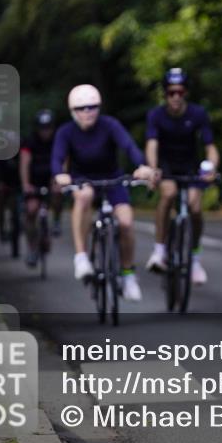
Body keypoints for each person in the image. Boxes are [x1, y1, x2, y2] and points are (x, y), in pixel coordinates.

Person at [52, 84, 155, 301]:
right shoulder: (66, 132)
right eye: (81, 108)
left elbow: (129, 147)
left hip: (113, 180)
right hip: (84, 181)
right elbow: (57, 158)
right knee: (84, 196)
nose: (87, 112)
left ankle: (128, 275)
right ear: (73, 111)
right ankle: (81, 257)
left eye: (92, 107)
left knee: (126, 222)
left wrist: (142, 165)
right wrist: (59, 175)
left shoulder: (109, 125)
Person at [144, 68, 219, 285]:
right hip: (166, 166)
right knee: (168, 195)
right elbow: (151, 144)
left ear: (185, 93)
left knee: (195, 209)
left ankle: (195, 258)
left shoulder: (198, 114)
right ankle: (159, 250)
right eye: (171, 92)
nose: (176, 97)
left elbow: (210, 146)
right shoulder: (156, 115)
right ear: (165, 94)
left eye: (180, 92)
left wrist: (211, 167)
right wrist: (153, 168)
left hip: (190, 166)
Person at [20, 109, 63, 266]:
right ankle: (32, 249)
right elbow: (25, 163)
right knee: (31, 211)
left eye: (48, 128)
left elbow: (63, 159)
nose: (45, 132)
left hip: (52, 178)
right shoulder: (29, 142)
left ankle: (56, 221)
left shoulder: (58, 140)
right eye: (42, 128)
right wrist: (26, 184)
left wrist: (59, 178)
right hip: (34, 181)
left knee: (58, 193)